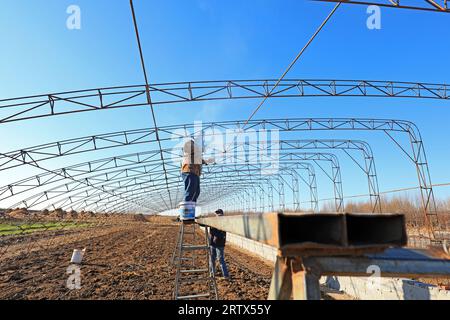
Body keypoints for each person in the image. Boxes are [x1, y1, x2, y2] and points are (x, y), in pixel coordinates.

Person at [209, 209, 230, 279]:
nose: (218, 216)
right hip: (212, 243)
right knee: (212, 258)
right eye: (216, 214)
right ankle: (212, 273)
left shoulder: (224, 223)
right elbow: (210, 230)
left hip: (220, 244)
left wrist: (216, 236)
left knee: (220, 259)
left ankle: (226, 275)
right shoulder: (213, 222)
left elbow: (222, 234)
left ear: (222, 214)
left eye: (219, 214)